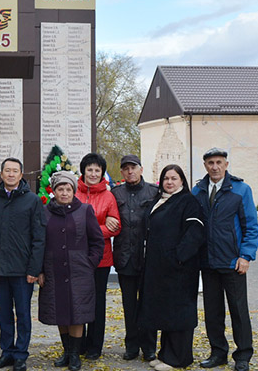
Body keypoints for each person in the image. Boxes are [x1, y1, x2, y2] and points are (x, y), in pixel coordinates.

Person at [191, 148, 258, 371]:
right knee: (213, 312)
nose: (215, 167)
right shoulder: (198, 191)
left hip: (232, 262)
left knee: (239, 311)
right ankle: (218, 352)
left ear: (226, 165)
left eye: (219, 162)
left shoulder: (240, 190)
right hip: (208, 262)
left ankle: (243, 355)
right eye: (210, 163)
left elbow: (250, 226)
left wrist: (246, 256)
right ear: (205, 166)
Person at [0, 158, 46, 371]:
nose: (10, 174)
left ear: (21, 175)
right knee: (3, 314)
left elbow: (39, 238)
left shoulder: (32, 201)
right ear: (1, 174)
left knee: (23, 315)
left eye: (15, 171)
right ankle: (7, 352)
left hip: (22, 271)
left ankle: (20, 354)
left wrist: (34, 269)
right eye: (7, 170)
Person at [139, 165, 206, 371]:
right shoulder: (159, 201)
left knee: (179, 314)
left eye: (174, 178)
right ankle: (166, 354)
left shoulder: (188, 202)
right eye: (166, 178)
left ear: (182, 181)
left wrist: (179, 257)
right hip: (160, 268)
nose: (169, 182)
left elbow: (195, 232)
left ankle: (179, 358)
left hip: (180, 269)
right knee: (165, 313)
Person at [38, 171, 105, 371]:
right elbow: (39, 243)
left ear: (74, 191)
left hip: (79, 271)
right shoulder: (45, 212)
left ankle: (75, 354)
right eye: (61, 189)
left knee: (77, 312)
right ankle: (66, 351)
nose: (65, 192)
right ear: (54, 191)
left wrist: (90, 263)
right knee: (60, 311)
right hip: (53, 270)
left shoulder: (85, 210)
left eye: (68, 189)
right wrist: (40, 270)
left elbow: (97, 241)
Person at [111, 154, 159, 361]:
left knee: (149, 304)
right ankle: (131, 344)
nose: (130, 171)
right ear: (121, 172)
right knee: (129, 305)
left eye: (134, 167)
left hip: (148, 257)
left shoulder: (154, 192)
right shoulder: (115, 193)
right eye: (126, 168)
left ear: (141, 169)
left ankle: (149, 346)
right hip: (125, 257)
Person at [75, 152, 121, 360]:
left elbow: (115, 227)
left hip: (101, 259)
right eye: (89, 169)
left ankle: (95, 346)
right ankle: (78, 343)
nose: (93, 173)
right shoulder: (73, 192)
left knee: (97, 303)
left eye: (97, 170)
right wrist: (98, 227)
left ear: (102, 173)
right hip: (76, 258)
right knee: (77, 301)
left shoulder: (108, 196)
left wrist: (87, 229)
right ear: (83, 171)